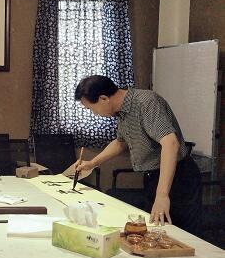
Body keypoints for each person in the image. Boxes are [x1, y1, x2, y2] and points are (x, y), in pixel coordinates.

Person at [74, 75, 202, 236]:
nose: (94, 113)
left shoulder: (146, 102)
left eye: (91, 109)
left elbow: (171, 143)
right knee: (157, 233)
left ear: (104, 98)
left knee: (183, 236)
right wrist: (92, 163)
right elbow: (120, 142)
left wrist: (162, 195)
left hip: (178, 178)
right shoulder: (122, 111)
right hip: (153, 177)